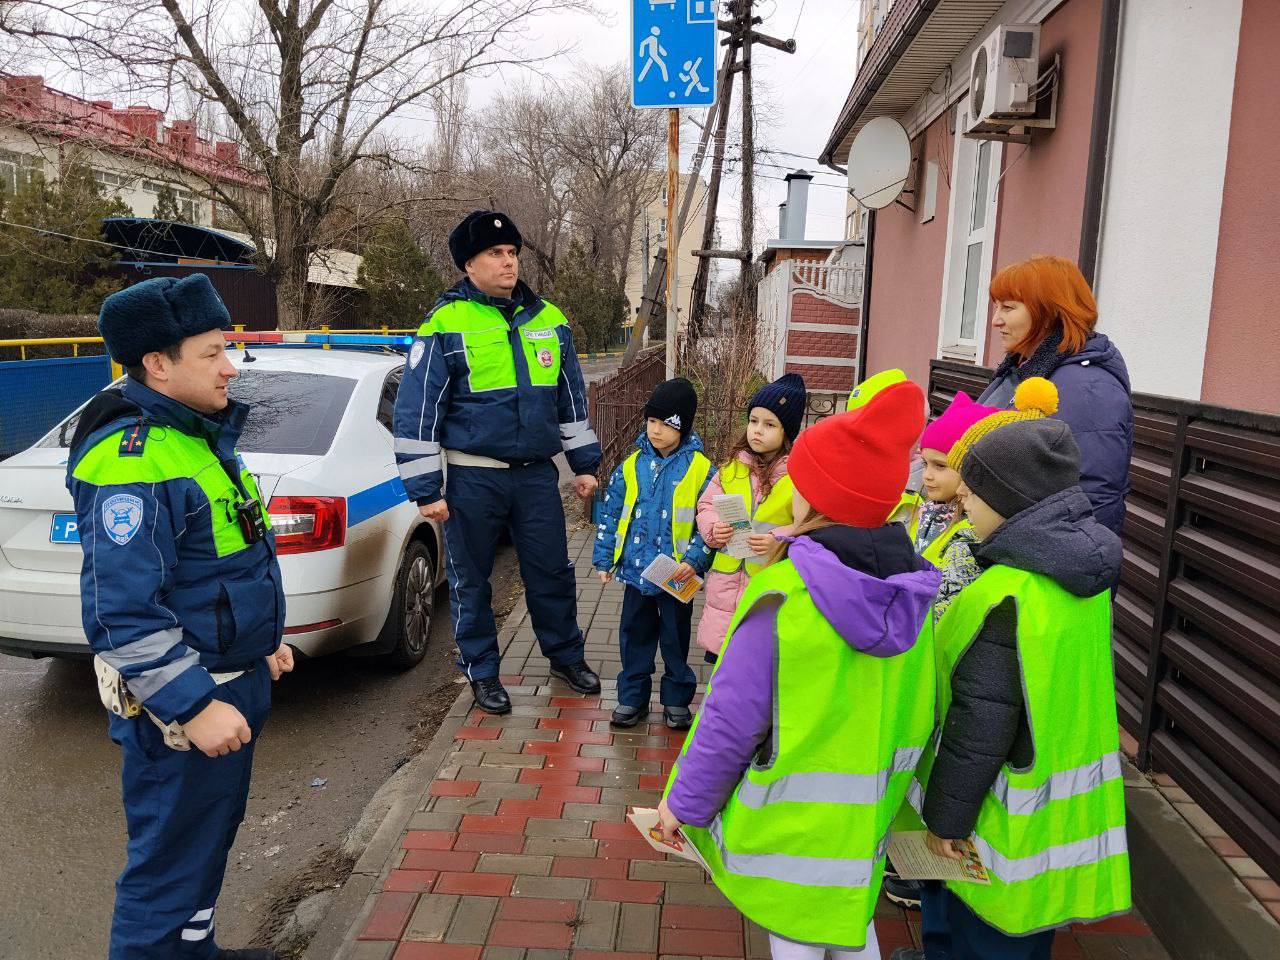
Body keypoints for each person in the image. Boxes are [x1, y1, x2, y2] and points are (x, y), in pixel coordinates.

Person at [656, 380, 942, 959]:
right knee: (850, 928)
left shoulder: (782, 597)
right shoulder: (913, 595)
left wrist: (682, 805)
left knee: (796, 940)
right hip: (868, 822)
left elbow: (731, 720)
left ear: (812, 500)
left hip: (787, 824)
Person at [67, 275, 293, 960]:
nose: (231, 367)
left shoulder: (193, 436)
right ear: (157, 365)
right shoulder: (132, 459)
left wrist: (263, 643)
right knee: (166, 870)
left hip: (231, 679)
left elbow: (222, 563)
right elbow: (123, 612)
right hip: (183, 709)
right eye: (212, 353)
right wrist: (192, 706)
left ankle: (197, 952)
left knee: (205, 844)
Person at [894, 415, 1130, 960]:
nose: (963, 503)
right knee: (1026, 925)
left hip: (990, 807)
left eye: (972, 494)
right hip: (1052, 795)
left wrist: (945, 820)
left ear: (1010, 500)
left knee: (976, 923)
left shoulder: (1003, 596)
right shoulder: (1081, 578)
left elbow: (980, 723)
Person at [393, 211, 602, 714]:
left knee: (552, 572)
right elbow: (418, 411)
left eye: (512, 253)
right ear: (469, 264)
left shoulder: (550, 320)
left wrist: (584, 464)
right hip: (473, 479)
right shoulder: (444, 324)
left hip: (535, 478)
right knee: (471, 581)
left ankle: (566, 656)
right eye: (495, 254)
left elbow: (571, 400)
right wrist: (426, 490)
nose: (508, 262)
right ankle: (482, 671)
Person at [593, 378, 715, 730]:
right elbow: (611, 514)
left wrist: (694, 560)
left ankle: (676, 698)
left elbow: (708, 522)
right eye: (651, 421)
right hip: (636, 572)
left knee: (675, 639)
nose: (656, 430)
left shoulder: (701, 470)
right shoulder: (631, 466)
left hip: (677, 575)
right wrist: (604, 558)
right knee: (635, 636)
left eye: (666, 424)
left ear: (683, 427)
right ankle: (632, 696)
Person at [978, 255, 1133, 534]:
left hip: (1032, 551)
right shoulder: (1020, 368)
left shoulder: (1088, 389)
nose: (995, 321)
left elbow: (1092, 498)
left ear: (1050, 312)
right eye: (996, 307)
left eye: (1008, 308)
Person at [695, 373, 805, 664]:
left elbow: (808, 524)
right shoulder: (733, 468)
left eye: (769, 424)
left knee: (756, 666)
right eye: (753, 421)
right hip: (725, 586)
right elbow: (706, 506)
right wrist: (713, 528)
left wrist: (778, 539)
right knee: (721, 665)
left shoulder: (798, 478)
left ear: (787, 432)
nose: (757, 430)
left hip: (766, 587)